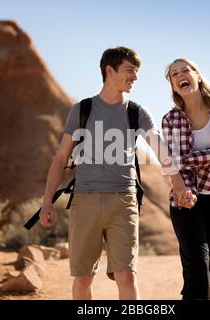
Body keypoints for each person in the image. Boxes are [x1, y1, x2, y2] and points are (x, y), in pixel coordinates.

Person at [38, 47, 189, 300]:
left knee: (127, 276)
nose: (135, 78)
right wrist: (46, 201)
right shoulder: (82, 110)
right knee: (84, 278)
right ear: (109, 70)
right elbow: (60, 158)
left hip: (124, 201)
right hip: (85, 200)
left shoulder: (137, 112)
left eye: (136, 72)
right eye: (130, 70)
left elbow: (160, 150)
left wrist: (179, 184)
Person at [161, 58, 210, 300]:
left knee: (209, 266)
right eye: (174, 74)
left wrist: (180, 161)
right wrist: (184, 190)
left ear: (198, 76)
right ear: (173, 85)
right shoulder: (170, 119)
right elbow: (171, 163)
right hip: (185, 198)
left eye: (186, 70)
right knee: (198, 263)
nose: (180, 75)